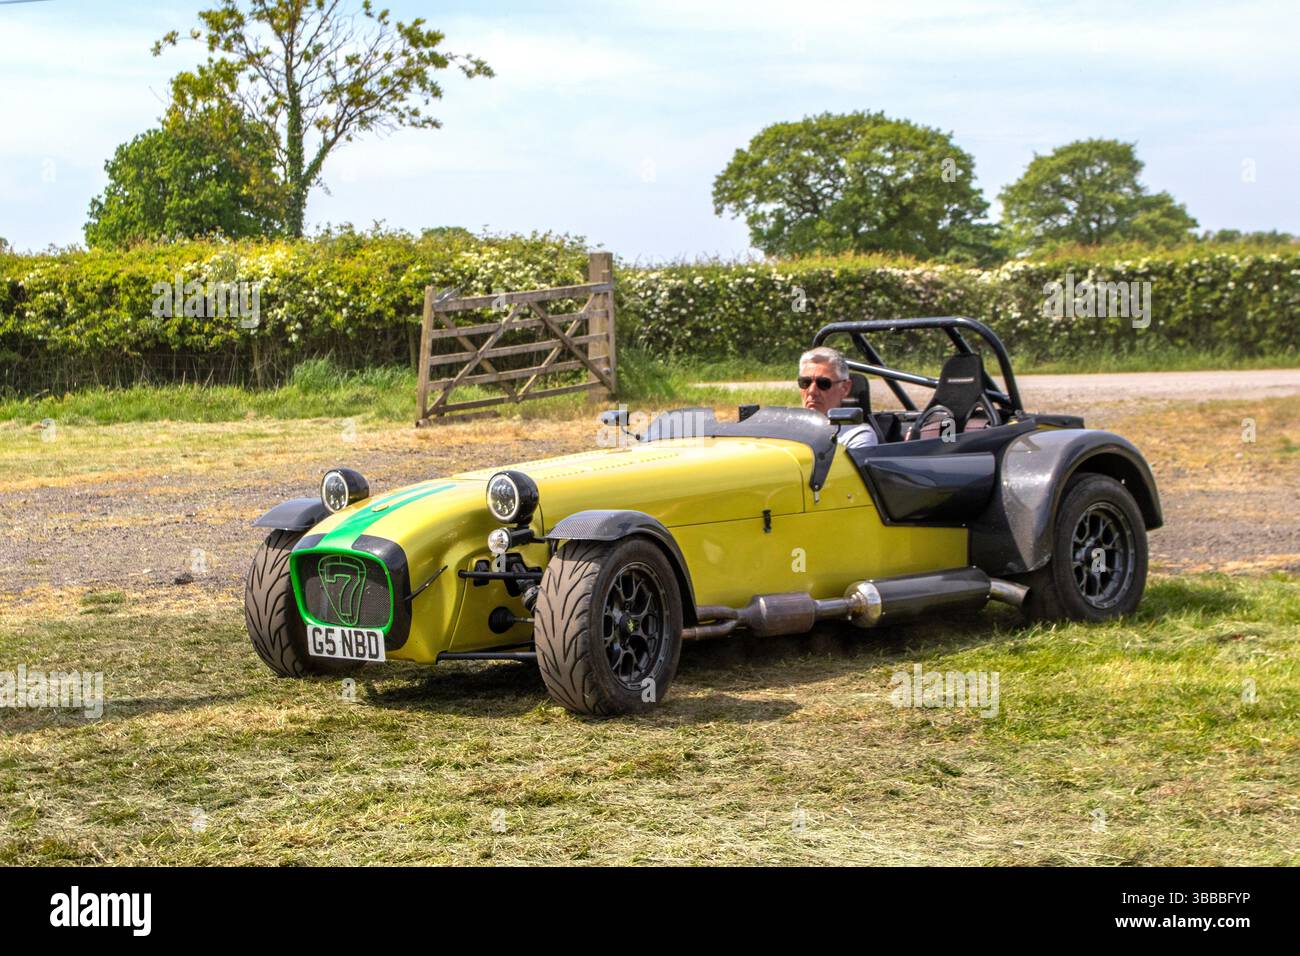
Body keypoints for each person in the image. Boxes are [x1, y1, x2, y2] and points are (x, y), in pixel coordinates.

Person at [797, 346, 879, 451]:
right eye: (805, 382)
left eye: (823, 383)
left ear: (845, 388)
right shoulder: (787, 428)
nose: (812, 391)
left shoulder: (857, 435)